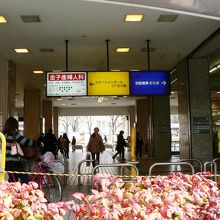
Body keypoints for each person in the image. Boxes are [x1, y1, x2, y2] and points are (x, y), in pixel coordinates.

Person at [2, 117, 36, 183]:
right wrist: (35, 142)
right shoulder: (14, 134)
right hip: (14, 161)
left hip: (5, 162)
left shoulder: (3, 134)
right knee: (24, 176)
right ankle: (24, 189)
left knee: (11, 180)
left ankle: (11, 192)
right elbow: (25, 141)